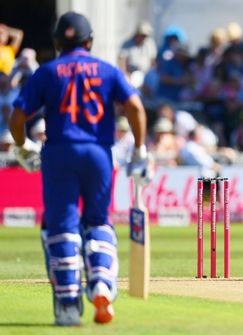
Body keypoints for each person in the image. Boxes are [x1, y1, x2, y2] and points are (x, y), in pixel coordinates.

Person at [9, 12, 149, 326]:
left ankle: (69, 303)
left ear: (58, 42)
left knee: (61, 227)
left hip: (59, 152)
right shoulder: (107, 70)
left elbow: (17, 118)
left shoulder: (47, 72)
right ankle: (101, 282)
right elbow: (136, 107)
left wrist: (22, 147)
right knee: (98, 221)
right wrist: (140, 150)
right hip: (99, 153)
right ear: (89, 41)